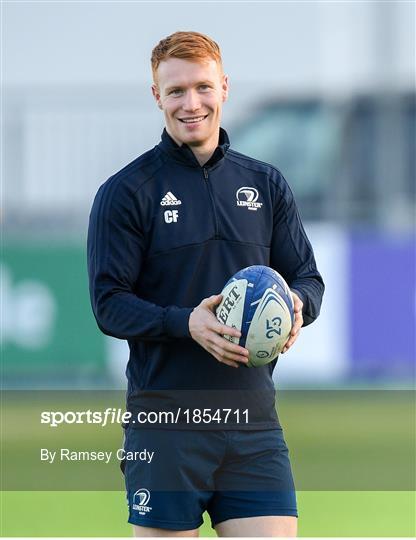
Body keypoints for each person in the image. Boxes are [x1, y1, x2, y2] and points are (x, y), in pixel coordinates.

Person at [87, 31, 324, 537]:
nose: (190, 103)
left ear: (224, 88)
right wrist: (185, 323)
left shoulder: (265, 184)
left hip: (254, 425)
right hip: (167, 426)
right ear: (157, 96)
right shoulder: (125, 193)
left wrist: (297, 305)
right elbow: (109, 305)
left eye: (202, 87)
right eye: (175, 91)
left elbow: (309, 279)